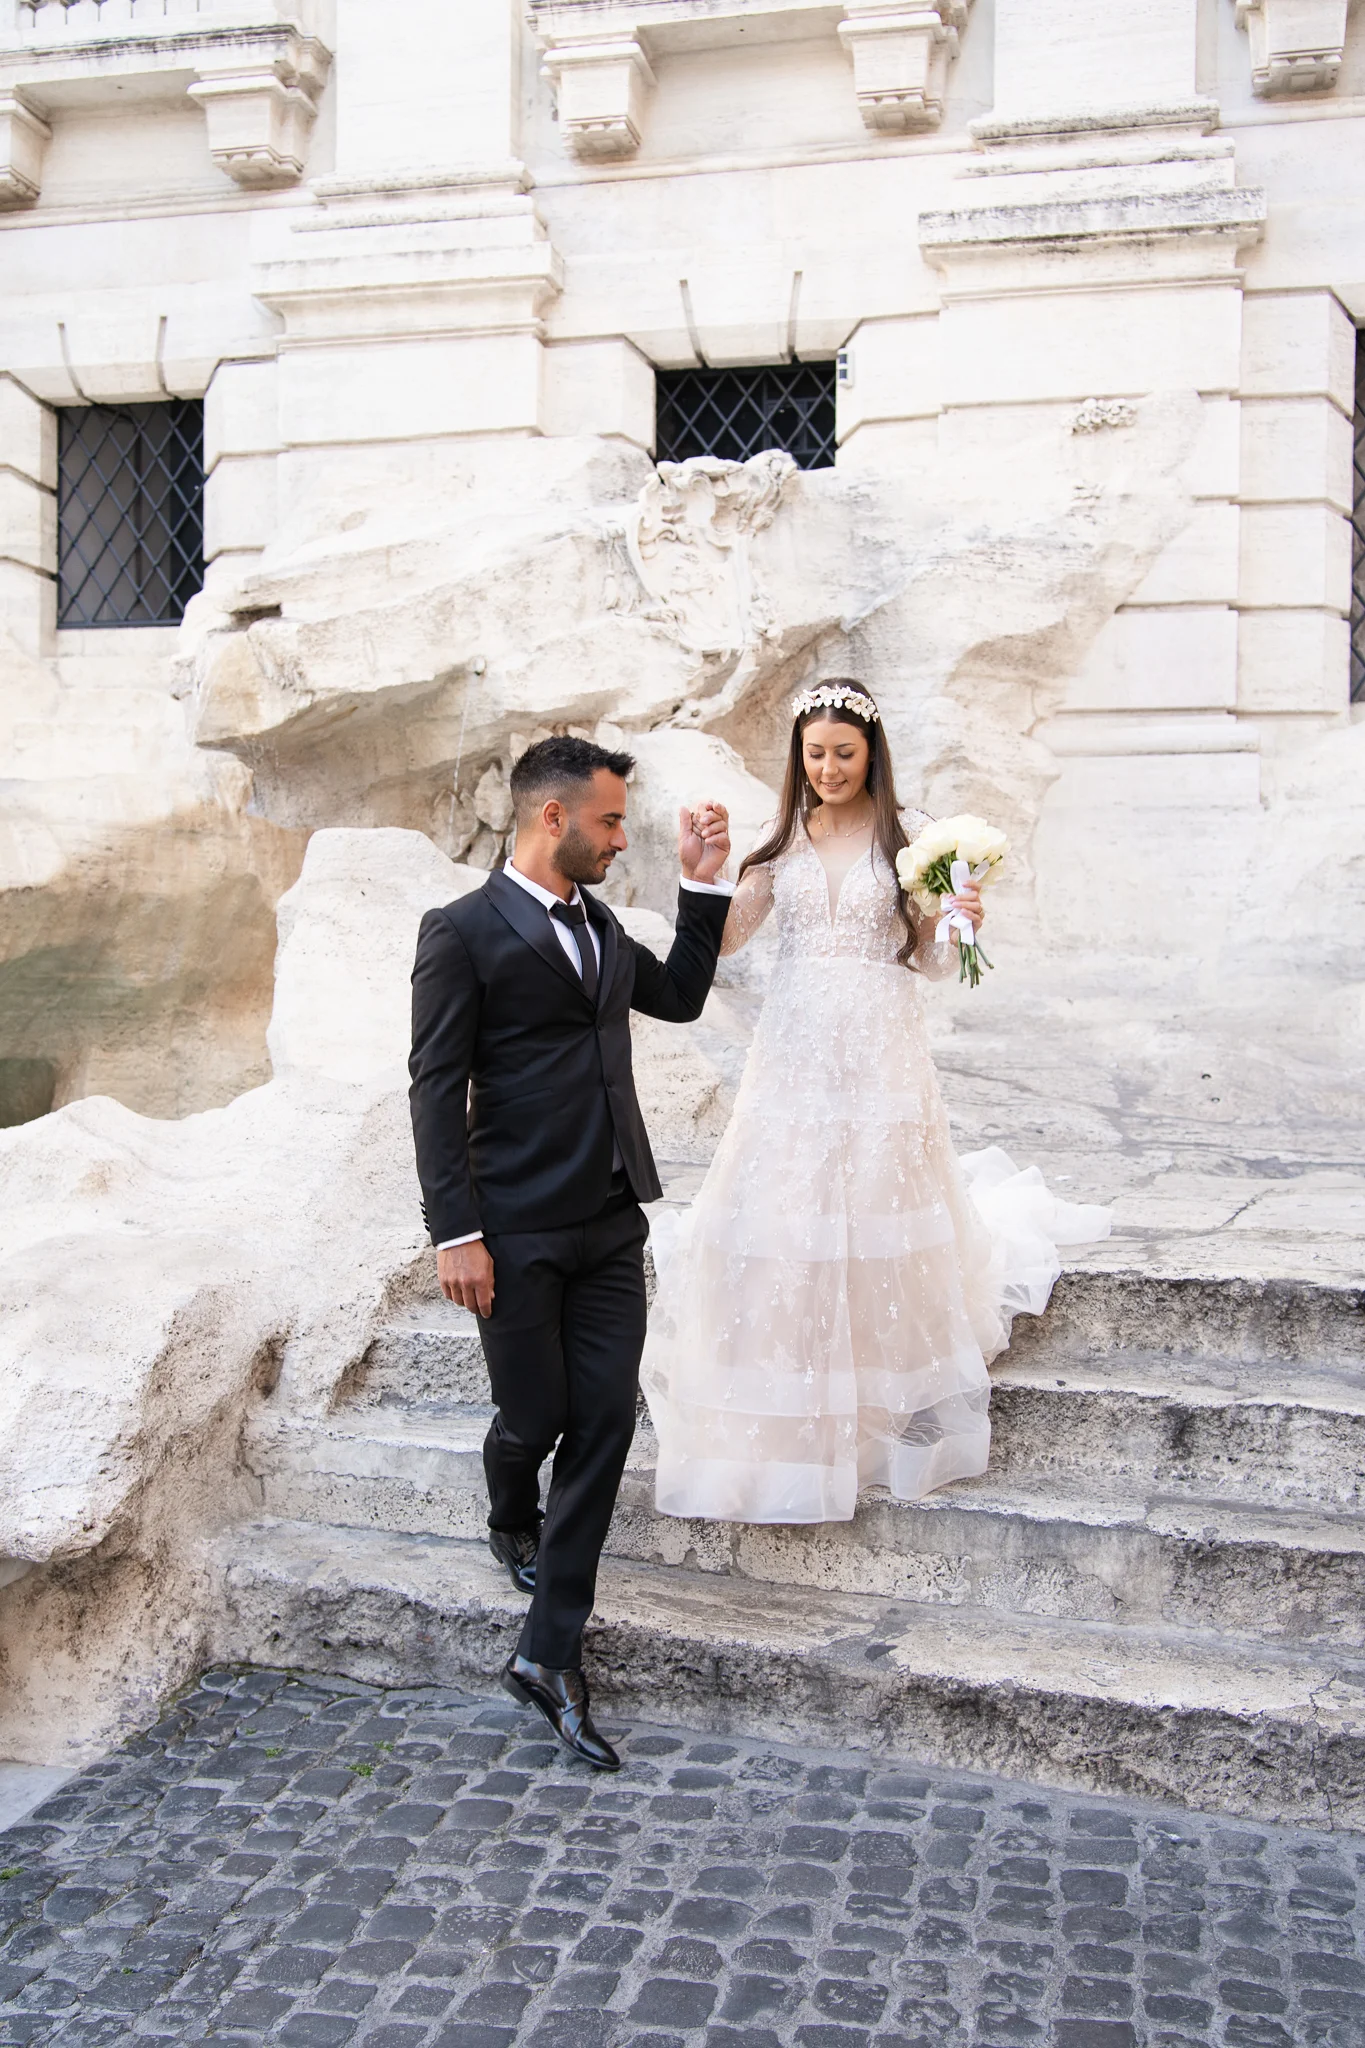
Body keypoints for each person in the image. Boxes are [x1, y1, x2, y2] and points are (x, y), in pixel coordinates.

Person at [641, 680, 1108, 1525]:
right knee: (788, 1202)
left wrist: (961, 920)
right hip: (793, 1050)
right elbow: (728, 940)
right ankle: (784, 1382)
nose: (826, 768)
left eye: (842, 754)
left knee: (874, 1199)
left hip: (882, 1047)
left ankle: (879, 1391)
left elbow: (927, 963)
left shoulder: (912, 840)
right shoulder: (779, 841)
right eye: (813, 754)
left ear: (872, 754)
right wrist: (699, 877)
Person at [408, 734, 732, 1769]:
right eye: (607, 821)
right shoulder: (461, 932)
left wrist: (700, 886)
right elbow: (432, 1086)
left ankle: (549, 1653)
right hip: (512, 1226)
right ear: (553, 818)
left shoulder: (600, 923)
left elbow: (678, 995)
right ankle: (511, 1505)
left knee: (600, 1421)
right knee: (535, 1418)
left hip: (610, 1219)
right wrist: (455, 1229)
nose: (616, 837)